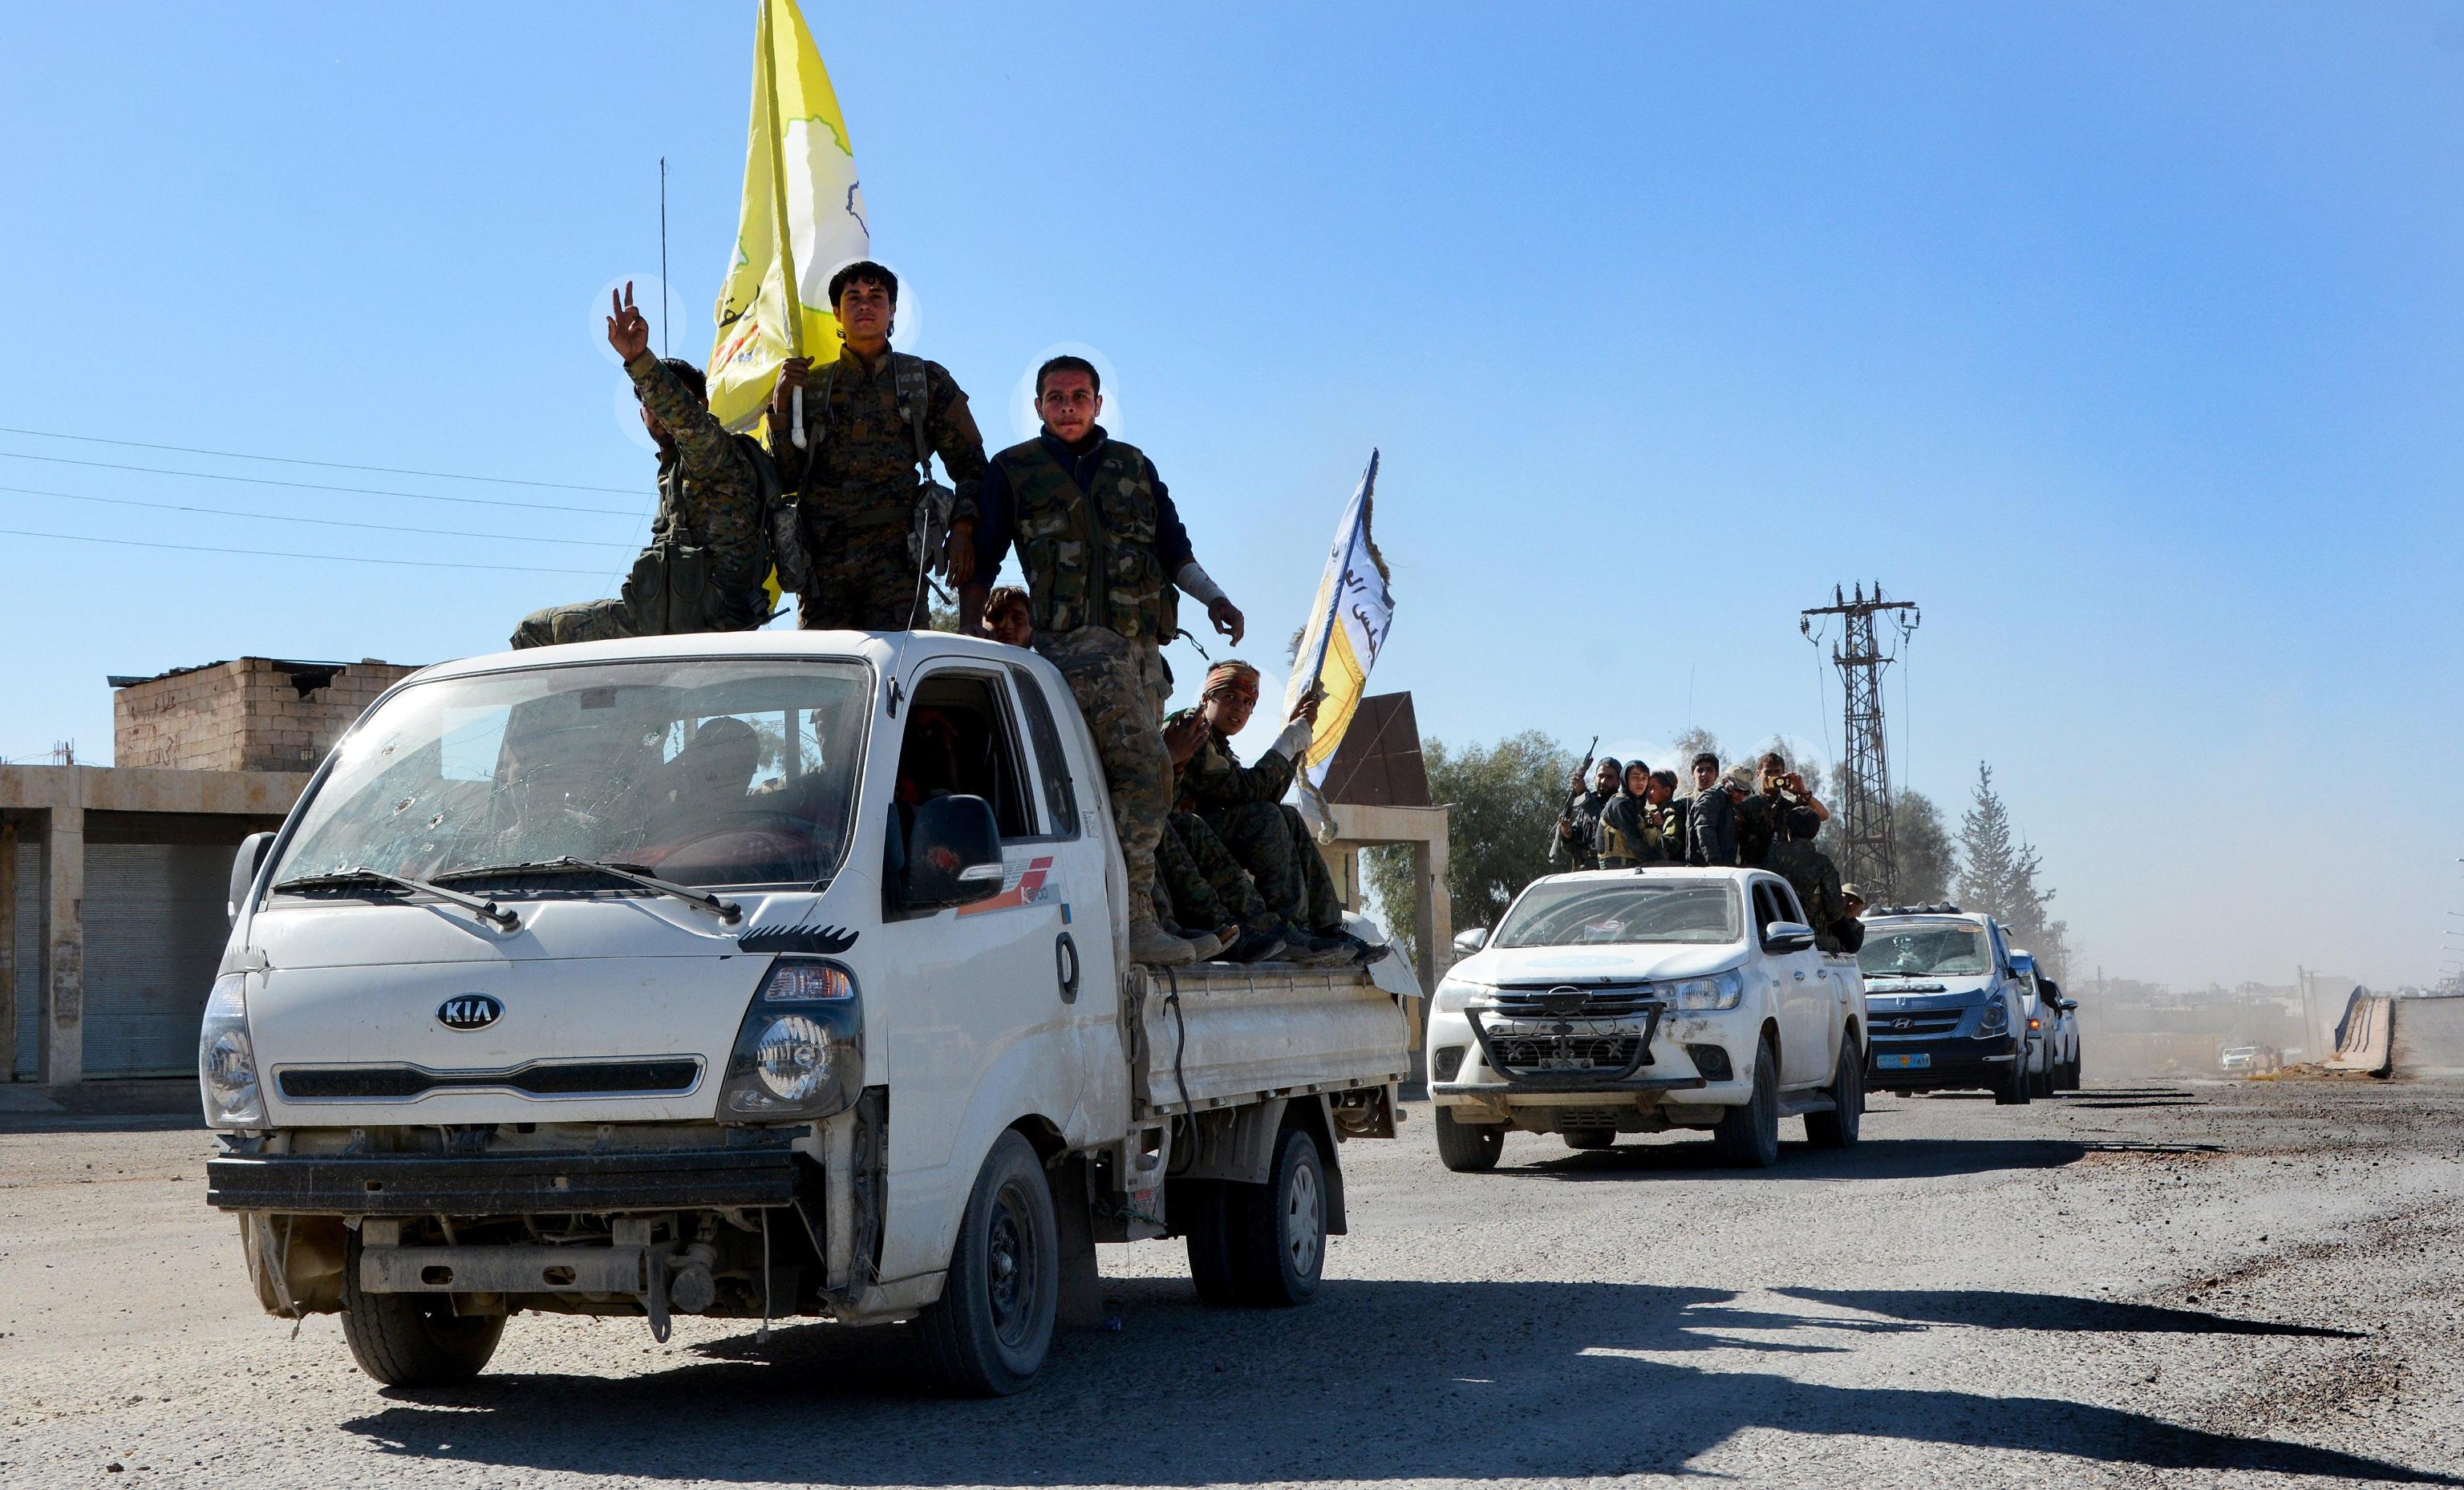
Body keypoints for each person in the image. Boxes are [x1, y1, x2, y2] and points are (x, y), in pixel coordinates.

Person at [955, 355, 1247, 965]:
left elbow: (1174, 550)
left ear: (1098, 404)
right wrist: (967, 630)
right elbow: (983, 560)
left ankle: (1144, 919)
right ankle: (1133, 927)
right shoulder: (1015, 471)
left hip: (1142, 659)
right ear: (1038, 406)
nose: (1068, 406)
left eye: (1079, 396)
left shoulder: (1133, 468)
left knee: (1140, 789)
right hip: (1076, 653)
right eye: (1056, 396)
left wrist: (1215, 598)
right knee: (1146, 776)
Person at [513, 284, 780, 648]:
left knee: (536, 631)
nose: (656, 412)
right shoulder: (673, 471)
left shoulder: (714, 454)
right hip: (666, 617)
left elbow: (683, 417)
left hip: (707, 622)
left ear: (701, 404)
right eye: (647, 404)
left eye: (665, 400)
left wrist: (639, 361)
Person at [768, 261, 988, 631]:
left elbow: (972, 466)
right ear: (837, 312)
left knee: (898, 678)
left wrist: (963, 531)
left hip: (898, 568)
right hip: (824, 568)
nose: (865, 305)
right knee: (825, 677)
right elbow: (785, 478)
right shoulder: (811, 386)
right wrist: (781, 406)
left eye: (876, 297)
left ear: (893, 310)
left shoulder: (923, 380)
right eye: (852, 298)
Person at [1165, 661, 1381, 966]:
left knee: (1286, 817)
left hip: (1204, 836)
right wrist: (1286, 743)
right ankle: (1290, 929)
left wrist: (1292, 748)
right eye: (1229, 697)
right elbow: (1244, 792)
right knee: (1266, 817)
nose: (1239, 708)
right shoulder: (1192, 728)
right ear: (1206, 699)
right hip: (1177, 840)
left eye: (1248, 703)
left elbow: (1263, 797)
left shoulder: (1219, 745)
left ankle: (1326, 926)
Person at [1766, 807, 1847, 952]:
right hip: (1809, 939)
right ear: (1815, 833)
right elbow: (1835, 910)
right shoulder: (1822, 863)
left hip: (1771, 937)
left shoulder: (1773, 854)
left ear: (1789, 831)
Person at [1736, 751, 1832, 867]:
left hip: (1784, 872)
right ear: (1758, 774)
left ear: (1783, 774)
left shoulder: (1791, 804)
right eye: (1768, 772)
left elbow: (1823, 815)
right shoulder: (1747, 807)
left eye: (1777, 772)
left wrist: (1803, 792)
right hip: (1755, 871)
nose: (1773, 776)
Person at [1557, 757, 1619, 871]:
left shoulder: (1620, 804)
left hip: (1609, 871)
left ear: (1618, 781)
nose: (1603, 781)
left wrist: (1583, 793)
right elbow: (1570, 848)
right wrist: (1568, 834)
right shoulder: (1586, 807)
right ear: (1595, 778)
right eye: (1600, 776)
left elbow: (1603, 824)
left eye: (1609, 777)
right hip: (1584, 871)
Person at [1684, 752, 1746, 866]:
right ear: (1726, 781)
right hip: (1706, 871)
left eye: (1745, 792)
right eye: (1737, 789)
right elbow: (1705, 830)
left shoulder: (1726, 802)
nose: (1741, 795)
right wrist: (1716, 865)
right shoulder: (1711, 799)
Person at [1595, 761, 1658, 868]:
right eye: (1635, 778)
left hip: (1629, 867)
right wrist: (1659, 859)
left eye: (1644, 778)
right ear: (1625, 780)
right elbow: (1635, 843)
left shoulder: (1635, 806)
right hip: (1618, 869)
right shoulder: (1620, 804)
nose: (1640, 782)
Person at [978, 585, 1034, 649]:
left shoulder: (1043, 658)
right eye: (997, 617)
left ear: (1033, 631)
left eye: (1017, 619)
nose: (1007, 626)